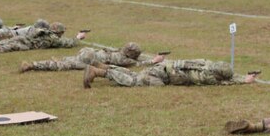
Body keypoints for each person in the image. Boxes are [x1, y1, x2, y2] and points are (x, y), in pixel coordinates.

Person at [84, 58, 257, 88]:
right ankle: (99, 72)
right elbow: (223, 82)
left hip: (165, 67)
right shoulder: (207, 77)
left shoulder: (207, 64)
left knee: (135, 76)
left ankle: (106, 67)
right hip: (161, 75)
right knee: (134, 82)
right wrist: (243, 80)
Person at [20, 43, 158, 72]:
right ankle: (32, 65)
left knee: (70, 60)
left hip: (88, 51)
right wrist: (153, 61)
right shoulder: (124, 60)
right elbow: (138, 65)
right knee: (62, 66)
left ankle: (61, 60)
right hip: (89, 59)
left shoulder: (118, 52)